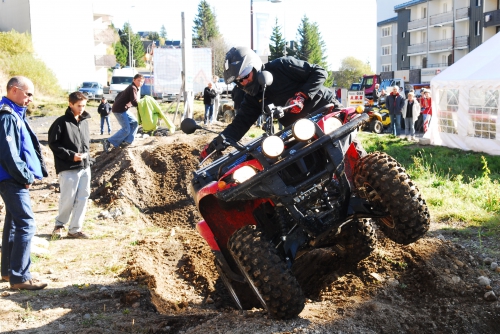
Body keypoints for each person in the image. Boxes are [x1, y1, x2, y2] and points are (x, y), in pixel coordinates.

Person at [200, 46, 341, 160]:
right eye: (238, 80)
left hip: (326, 111)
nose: (243, 82)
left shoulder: (281, 66)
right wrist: (216, 144)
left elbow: (319, 72)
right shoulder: (252, 98)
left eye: (245, 75)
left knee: (346, 151)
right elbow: (240, 123)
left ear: (254, 65)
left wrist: (302, 96)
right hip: (303, 131)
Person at [0, 76, 48, 290]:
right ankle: (20, 277)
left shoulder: (15, 114)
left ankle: (9, 272)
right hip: (11, 179)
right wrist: (25, 177)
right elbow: (10, 155)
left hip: (11, 178)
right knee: (26, 224)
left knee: (13, 224)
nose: (30, 99)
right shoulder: (7, 117)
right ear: (13, 90)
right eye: (28, 94)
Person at [48, 91, 92, 239]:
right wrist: (71, 156)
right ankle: (59, 225)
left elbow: (86, 144)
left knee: (83, 197)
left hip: (85, 167)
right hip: (68, 168)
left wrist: (88, 159)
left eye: (84, 105)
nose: (82, 108)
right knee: (68, 198)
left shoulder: (85, 121)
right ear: (70, 104)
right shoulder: (61, 123)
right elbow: (54, 144)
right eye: (79, 106)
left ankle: (75, 229)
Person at [103, 73, 144, 153]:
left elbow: (119, 95)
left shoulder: (133, 87)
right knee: (126, 129)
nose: (140, 83)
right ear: (134, 80)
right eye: (138, 80)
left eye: (141, 82)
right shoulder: (133, 88)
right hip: (120, 110)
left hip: (124, 109)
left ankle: (127, 142)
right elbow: (134, 101)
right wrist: (143, 105)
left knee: (135, 123)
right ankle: (108, 141)